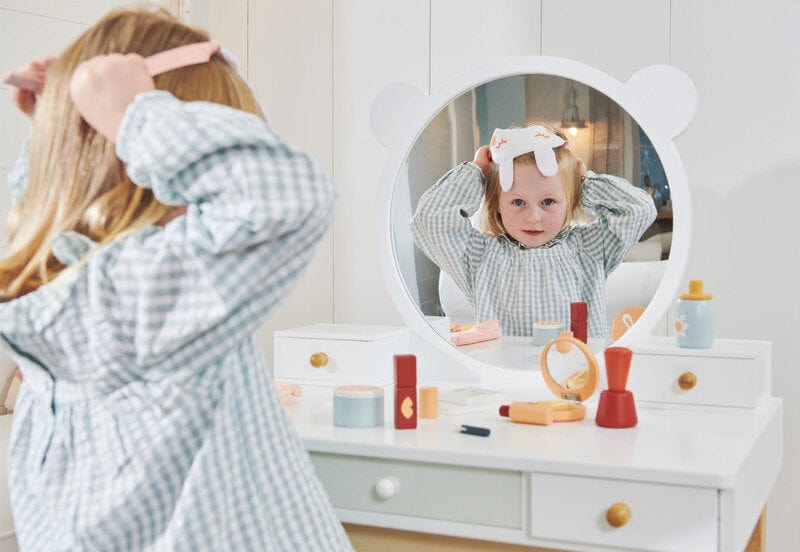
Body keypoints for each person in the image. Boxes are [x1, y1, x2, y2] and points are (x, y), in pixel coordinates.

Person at [0, 8, 353, 551]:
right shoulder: (146, 300)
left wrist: (59, 132)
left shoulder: (52, 297)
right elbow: (286, 197)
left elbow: (54, 211)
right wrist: (137, 112)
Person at [411, 125, 656, 339]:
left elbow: (639, 209)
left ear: (569, 201)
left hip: (577, 378)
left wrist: (583, 181)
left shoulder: (590, 249)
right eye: (518, 202)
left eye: (548, 202)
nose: (533, 217)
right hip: (505, 379)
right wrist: (476, 172)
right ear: (497, 204)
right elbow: (429, 220)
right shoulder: (478, 257)